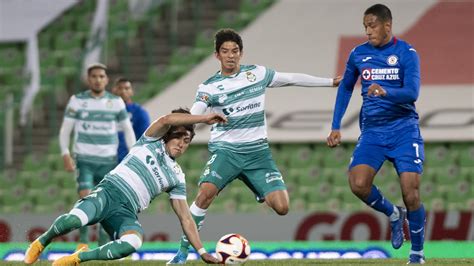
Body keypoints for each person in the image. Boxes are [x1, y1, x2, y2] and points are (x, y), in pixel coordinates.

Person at [168, 28, 342, 264]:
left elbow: (290, 78)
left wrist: (330, 82)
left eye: (235, 51)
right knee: (205, 194)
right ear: (216, 55)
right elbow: (195, 115)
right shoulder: (209, 87)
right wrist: (181, 134)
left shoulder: (257, 74)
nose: (231, 56)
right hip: (226, 152)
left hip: (258, 153)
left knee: (282, 207)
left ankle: (253, 182)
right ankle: (182, 253)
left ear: (241, 53)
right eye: (225, 51)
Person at [24, 108, 226, 265]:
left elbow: (185, 218)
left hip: (126, 212)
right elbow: (166, 120)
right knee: (75, 221)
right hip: (108, 193)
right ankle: (42, 241)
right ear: (167, 135)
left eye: (187, 140)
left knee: (134, 243)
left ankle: (79, 258)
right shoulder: (150, 141)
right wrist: (203, 119)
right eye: (178, 136)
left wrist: (202, 252)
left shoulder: (177, 176)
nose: (182, 143)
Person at [326, 4, 426, 264]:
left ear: (387, 25)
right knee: (358, 184)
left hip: (404, 129)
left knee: (411, 191)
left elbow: (412, 92)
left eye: (372, 25)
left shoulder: (406, 53)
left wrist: (386, 92)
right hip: (372, 131)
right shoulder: (358, 54)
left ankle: (417, 254)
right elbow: (346, 88)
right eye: (365, 26)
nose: (367, 30)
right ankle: (394, 214)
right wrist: (335, 125)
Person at [59, 63, 137, 250]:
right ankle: (83, 242)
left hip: (108, 161)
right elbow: (65, 130)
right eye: (94, 76)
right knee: (87, 199)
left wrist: (133, 154)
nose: (98, 79)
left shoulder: (116, 102)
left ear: (106, 80)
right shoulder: (77, 100)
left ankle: (103, 243)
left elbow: (128, 130)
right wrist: (65, 154)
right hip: (85, 160)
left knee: (105, 204)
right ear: (88, 79)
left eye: (101, 76)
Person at [111, 77, 151, 162]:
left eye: (126, 88)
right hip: (107, 160)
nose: (123, 91)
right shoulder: (106, 111)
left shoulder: (140, 112)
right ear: (113, 90)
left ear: (132, 91)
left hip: (128, 161)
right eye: (120, 88)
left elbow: (145, 138)